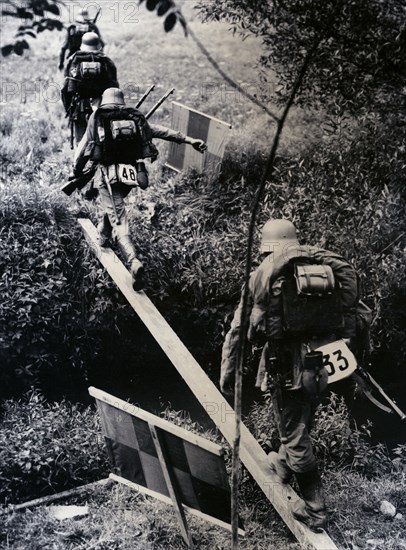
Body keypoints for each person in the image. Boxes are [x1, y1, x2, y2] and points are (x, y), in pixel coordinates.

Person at [220, 219, 362, 532]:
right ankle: (283, 466)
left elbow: (243, 328)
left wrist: (228, 369)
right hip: (322, 363)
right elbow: (353, 315)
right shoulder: (321, 271)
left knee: (293, 435)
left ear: (268, 247)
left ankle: (315, 508)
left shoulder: (264, 276)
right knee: (303, 419)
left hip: (285, 368)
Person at [73, 87, 207, 291]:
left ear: (105, 101)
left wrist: (76, 172)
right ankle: (104, 234)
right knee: (115, 206)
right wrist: (189, 140)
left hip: (108, 176)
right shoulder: (135, 122)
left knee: (119, 216)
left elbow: (84, 151)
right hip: (131, 176)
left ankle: (134, 261)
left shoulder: (99, 120)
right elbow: (162, 131)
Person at [61, 32, 119, 146]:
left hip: (79, 107)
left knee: (80, 142)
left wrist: (68, 109)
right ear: (98, 45)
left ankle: (79, 161)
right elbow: (115, 88)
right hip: (101, 107)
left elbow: (65, 88)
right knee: (102, 140)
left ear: (82, 45)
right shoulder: (106, 60)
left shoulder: (74, 59)